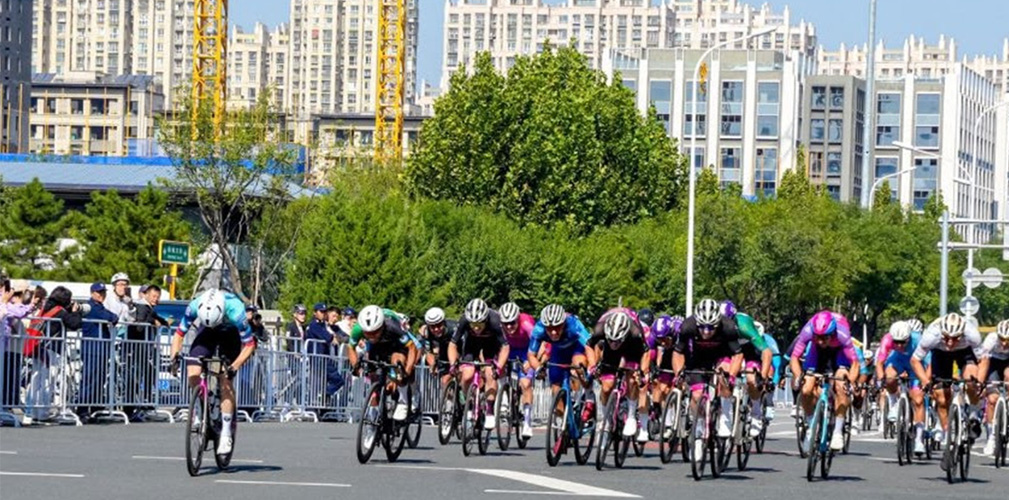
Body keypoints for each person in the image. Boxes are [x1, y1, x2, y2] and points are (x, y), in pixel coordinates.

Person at [169, 288, 256, 456]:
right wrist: (174, 358)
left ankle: (225, 431)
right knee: (193, 367)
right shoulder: (195, 305)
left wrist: (234, 367)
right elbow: (179, 334)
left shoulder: (236, 310)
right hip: (207, 330)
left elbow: (249, 345)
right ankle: (200, 408)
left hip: (229, 333)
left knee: (225, 379)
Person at [911, 312, 982, 471]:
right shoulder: (932, 335)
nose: (950, 342)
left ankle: (973, 413)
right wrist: (925, 380)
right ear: (941, 333)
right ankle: (948, 437)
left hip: (965, 353)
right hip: (940, 355)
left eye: (955, 338)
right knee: (942, 399)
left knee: (971, 380)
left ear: (962, 334)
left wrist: (979, 382)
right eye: (947, 338)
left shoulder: (972, 334)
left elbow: (983, 360)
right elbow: (915, 360)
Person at [673, 298, 743, 445]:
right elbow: (678, 352)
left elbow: (737, 354)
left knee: (725, 375)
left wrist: (731, 377)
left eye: (711, 327)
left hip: (721, 355)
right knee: (696, 395)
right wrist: (678, 373)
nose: (706, 331)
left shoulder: (728, 327)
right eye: (702, 327)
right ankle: (698, 425)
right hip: (698, 359)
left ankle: (725, 416)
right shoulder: (688, 326)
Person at [790, 310, 860, 451]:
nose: (821, 341)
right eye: (818, 337)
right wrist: (798, 377)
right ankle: (811, 426)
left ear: (833, 333)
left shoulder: (842, 334)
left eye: (825, 338)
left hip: (839, 354)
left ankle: (838, 432)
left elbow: (855, 363)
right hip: (816, 354)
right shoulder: (808, 331)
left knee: (841, 384)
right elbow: (794, 358)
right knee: (806, 387)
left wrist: (850, 383)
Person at [346, 305, 419, 421]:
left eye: (375, 332)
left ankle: (403, 401)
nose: (371, 336)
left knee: (397, 362)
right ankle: (373, 417)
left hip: (396, 346)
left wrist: (407, 371)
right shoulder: (358, 329)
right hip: (376, 348)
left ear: (382, 326)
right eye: (368, 333)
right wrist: (356, 366)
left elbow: (412, 348)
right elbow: (350, 347)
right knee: (374, 379)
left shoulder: (393, 327)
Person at [527, 304, 595, 426]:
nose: (553, 332)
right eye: (549, 328)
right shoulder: (539, 329)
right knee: (555, 386)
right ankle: (562, 422)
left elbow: (589, 347)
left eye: (557, 327)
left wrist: (592, 368)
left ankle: (589, 395)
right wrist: (538, 368)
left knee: (579, 364)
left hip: (576, 348)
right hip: (558, 351)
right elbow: (531, 355)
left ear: (563, 323)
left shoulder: (573, 325)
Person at [22, 286, 82, 424]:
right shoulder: (59, 311)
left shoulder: (44, 309)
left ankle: (32, 412)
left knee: (36, 379)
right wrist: (75, 312)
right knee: (48, 380)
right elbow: (74, 324)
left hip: (38, 348)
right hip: (51, 350)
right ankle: (43, 412)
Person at [589, 310, 650, 442]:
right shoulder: (600, 329)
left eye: (617, 341)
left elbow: (646, 352)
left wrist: (643, 372)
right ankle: (605, 419)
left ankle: (632, 415)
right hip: (610, 354)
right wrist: (593, 365)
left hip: (631, 349)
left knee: (632, 378)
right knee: (606, 387)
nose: (614, 344)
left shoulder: (635, 333)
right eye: (611, 341)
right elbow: (589, 346)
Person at [448, 298, 509, 430]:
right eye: (473, 324)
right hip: (471, 345)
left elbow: (505, 347)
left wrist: (498, 368)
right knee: (466, 375)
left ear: (486, 320)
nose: (476, 328)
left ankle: (490, 411)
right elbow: (452, 344)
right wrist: (453, 364)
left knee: (490, 373)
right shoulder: (464, 319)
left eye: (480, 324)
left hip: (491, 345)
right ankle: (468, 404)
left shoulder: (495, 320)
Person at [875, 320, 930, 455]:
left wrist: (925, 381)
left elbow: (929, 365)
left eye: (903, 342)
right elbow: (880, 362)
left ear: (909, 338)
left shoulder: (919, 340)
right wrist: (882, 379)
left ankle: (919, 438)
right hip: (897, 361)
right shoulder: (887, 339)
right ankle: (894, 405)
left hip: (916, 366)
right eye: (896, 342)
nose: (899, 345)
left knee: (918, 400)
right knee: (889, 377)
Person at [721, 301, 773, 437]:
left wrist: (762, 376)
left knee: (751, 380)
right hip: (730, 349)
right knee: (723, 374)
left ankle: (756, 414)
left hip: (750, 348)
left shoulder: (744, 326)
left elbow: (767, 352)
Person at [79, 282, 120, 421]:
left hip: (101, 349)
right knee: (89, 378)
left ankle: (96, 408)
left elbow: (113, 317)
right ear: (92, 293)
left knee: (100, 379)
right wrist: (112, 317)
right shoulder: (90, 307)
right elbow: (110, 317)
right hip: (92, 348)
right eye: (98, 292)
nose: (101, 295)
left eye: (103, 292)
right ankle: (83, 409)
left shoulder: (100, 307)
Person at [125, 285, 166, 420]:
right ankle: (131, 407)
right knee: (135, 376)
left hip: (143, 348)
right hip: (137, 347)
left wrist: (164, 322)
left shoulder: (149, 308)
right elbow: (140, 322)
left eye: (158, 297)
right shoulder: (142, 306)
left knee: (147, 373)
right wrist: (154, 322)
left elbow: (156, 316)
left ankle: (145, 403)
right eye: (153, 296)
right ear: (146, 295)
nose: (156, 299)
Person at [499, 302, 537, 438]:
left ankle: (527, 422)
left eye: (512, 323)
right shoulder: (499, 326)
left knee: (525, 384)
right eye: (505, 323)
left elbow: (539, 342)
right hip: (509, 349)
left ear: (518, 319)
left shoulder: (527, 324)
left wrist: (530, 360)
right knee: (499, 365)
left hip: (527, 350)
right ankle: (504, 398)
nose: (509, 327)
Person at [977, 319, 1009, 457]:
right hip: (993, 364)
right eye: (1001, 339)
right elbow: (983, 362)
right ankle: (991, 437)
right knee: (991, 400)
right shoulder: (991, 339)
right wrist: (981, 383)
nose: (1004, 343)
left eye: (1007, 340)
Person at [2, 281, 34, 409]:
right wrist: (30, 305)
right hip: (8, 348)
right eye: (25, 292)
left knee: (11, 378)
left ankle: (8, 406)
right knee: (6, 379)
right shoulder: (7, 305)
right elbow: (17, 313)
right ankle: (5, 405)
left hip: (12, 348)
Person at [651, 315, 683, 438]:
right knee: (663, 388)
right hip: (668, 354)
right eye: (660, 340)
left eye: (665, 339)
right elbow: (649, 353)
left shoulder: (680, 333)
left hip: (682, 351)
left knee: (679, 381)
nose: (663, 342)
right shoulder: (655, 338)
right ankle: (668, 423)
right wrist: (653, 368)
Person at [420, 307, 457, 390]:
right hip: (444, 350)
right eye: (432, 327)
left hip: (457, 349)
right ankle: (450, 399)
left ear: (444, 322)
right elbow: (428, 351)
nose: (436, 329)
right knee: (444, 381)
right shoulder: (426, 332)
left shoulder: (453, 329)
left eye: (439, 325)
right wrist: (432, 364)